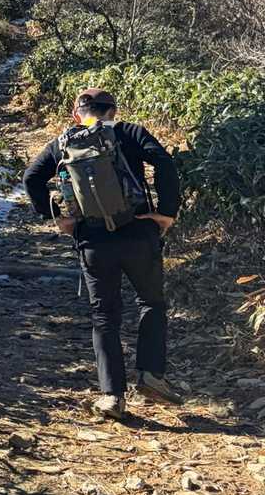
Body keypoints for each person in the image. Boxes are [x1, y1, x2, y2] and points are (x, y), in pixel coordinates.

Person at [23, 88, 182, 421]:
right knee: (151, 302)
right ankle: (151, 374)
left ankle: (112, 396)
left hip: (93, 240)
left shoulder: (64, 142)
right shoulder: (129, 132)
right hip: (138, 232)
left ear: (76, 114)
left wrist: (59, 218)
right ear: (113, 111)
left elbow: (32, 177)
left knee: (104, 316)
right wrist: (166, 212)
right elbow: (165, 164)